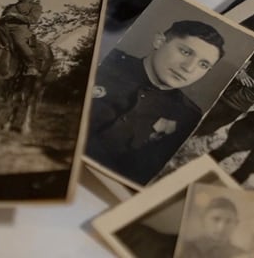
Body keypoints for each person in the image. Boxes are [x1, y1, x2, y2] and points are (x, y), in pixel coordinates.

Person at [86, 20, 225, 185]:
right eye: (185, 52)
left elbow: (137, 176)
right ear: (159, 41)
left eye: (203, 65)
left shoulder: (187, 115)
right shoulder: (104, 59)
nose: (189, 68)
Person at [178, 197, 245, 258]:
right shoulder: (184, 248)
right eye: (216, 219)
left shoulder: (242, 254)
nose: (221, 228)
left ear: (236, 224)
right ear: (203, 220)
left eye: (228, 221)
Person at [0, 0, 43, 76]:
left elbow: (33, 19)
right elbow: (0, 19)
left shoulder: (35, 6)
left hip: (20, 29)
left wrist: (16, 15)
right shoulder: (9, 7)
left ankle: (32, 66)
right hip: (4, 28)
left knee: (19, 42)